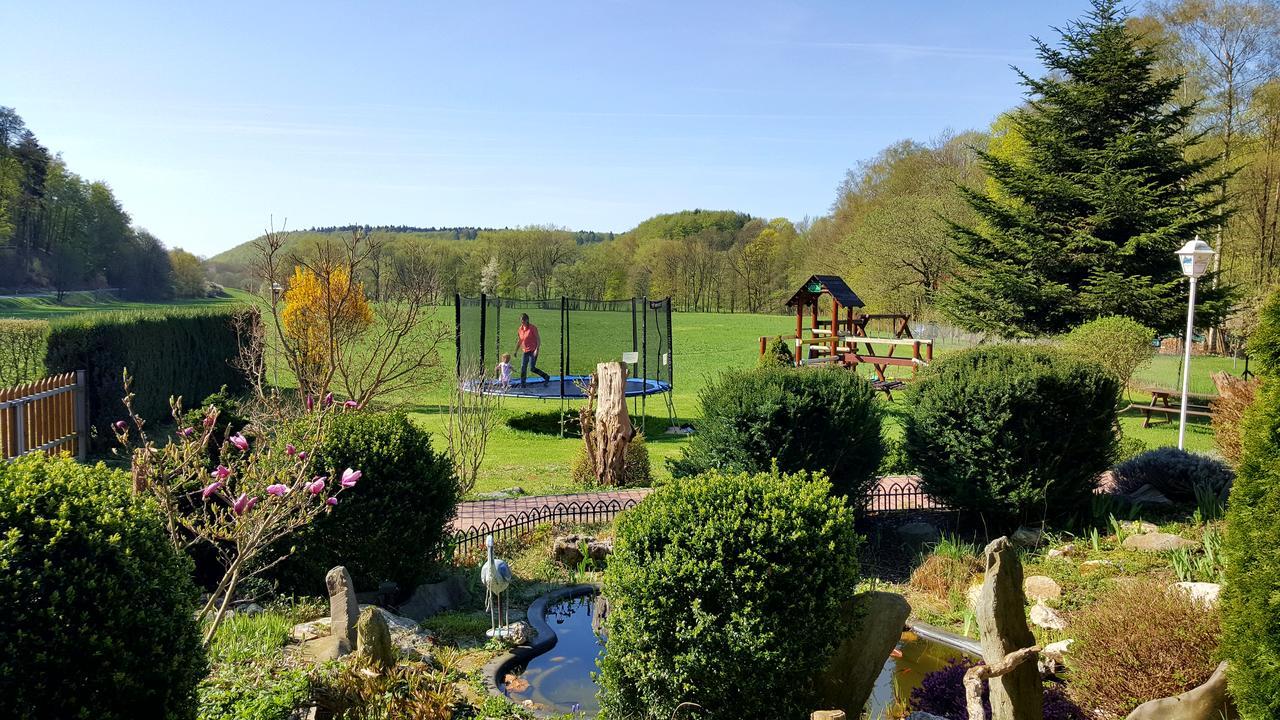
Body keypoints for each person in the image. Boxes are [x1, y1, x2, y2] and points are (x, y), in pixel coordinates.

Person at [515, 313, 551, 386]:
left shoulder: (532, 328)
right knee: (523, 367)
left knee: (532, 368)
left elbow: (538, 339)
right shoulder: (520, 329)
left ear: (527, 320)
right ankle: (523, 383)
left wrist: (537, 349)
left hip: (533, 350)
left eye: (524, 321)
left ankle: (546, 376)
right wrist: (516, 350)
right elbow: (520, 340)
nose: (522, 323)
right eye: (521, 321)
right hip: (525, 351)